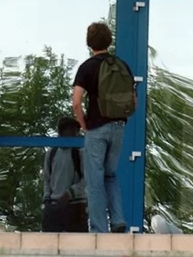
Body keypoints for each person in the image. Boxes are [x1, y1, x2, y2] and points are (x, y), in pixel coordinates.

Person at [72, 22, 135, 233]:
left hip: (97, 129)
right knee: (111, 175)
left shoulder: (87, 67)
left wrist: (84, 125)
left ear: (89, 43)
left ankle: (99, 229)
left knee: (95, 180)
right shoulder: (122, 66)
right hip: (119, 127)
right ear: (109, 41)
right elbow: (133, 102)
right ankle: (118, 220)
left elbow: (76, 101)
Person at [42, 116, 88, 232]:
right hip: (54, 205)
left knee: (78, 245)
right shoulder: (52, 152)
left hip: (76, 205)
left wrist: (70, 193)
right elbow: (47, 179)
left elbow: (86, 179)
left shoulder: (80, 152)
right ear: (62, 132)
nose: (74, 133)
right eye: (71, 130)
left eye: (76, 131)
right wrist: (47, 201)